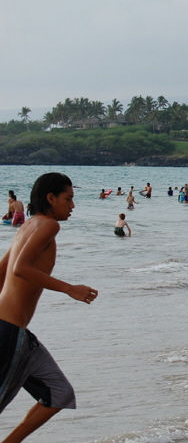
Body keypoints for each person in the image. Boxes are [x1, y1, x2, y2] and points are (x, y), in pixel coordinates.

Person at [0, 172, 97, 442]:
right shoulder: (49, 226)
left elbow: (2, 271)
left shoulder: (28, 225)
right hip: (9, 333)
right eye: (68, 199)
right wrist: (69, 289)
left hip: (17, 333)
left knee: (58, 393)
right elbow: (19, 269)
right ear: (51, 198)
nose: (73, 206)